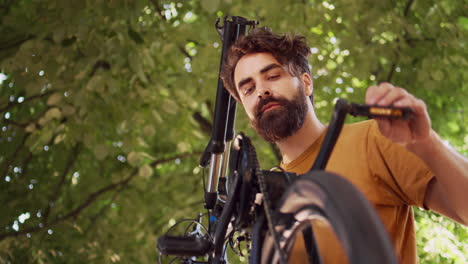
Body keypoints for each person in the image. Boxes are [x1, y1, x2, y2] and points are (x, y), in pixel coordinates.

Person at [220, 28, 468, 263]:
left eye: (272, 76)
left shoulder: (373, 139)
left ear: (306, 83)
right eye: (249, 89)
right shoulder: (267, 192)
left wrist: (427, 145)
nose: (261, 91)